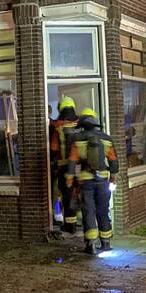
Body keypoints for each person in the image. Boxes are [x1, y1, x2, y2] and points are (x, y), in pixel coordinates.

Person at [66, 108, 119, 255]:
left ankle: (91, 245)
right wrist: (113, 179)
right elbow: (114, 162)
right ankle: (106, 243)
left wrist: (69, 180)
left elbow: (71, 162)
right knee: (103, 209)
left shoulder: (77, 140)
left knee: (88, 211)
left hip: (86, 181)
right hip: (103, 181)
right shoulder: (107, 139)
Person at [49, 97, 80, 236]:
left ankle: (70, 225)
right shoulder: (82, 124)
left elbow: (54, 148)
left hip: (64, 168)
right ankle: (85, 222)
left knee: (67, 197)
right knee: (80, 195)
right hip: (82, 169)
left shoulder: (59, 126)